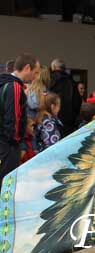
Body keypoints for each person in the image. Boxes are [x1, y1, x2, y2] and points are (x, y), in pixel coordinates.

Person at [0, 53, 40, 181]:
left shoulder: (5, 83)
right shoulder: (15, 87)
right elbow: (13, 119)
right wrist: (16, 144)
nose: (35, 77)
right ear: (27, 68)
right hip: (7, 146)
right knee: (7, 183)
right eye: (35, 72)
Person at [49, 58, 81, 137]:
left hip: (53, 121)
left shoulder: (50, 79)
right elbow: (77, 101)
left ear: (53, 67)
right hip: (69, 122)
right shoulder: (71, 81)